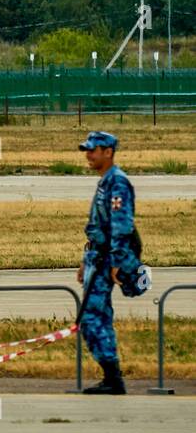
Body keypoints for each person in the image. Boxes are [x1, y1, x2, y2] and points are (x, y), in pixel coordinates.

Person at [76, 131, 139, 395]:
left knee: (92, 318)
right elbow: (98, 227)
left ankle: (113, 377)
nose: (88, 155)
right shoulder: (105, 182)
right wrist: (85, 259)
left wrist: (117, 262)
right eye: (87, 150)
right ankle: (111, 377)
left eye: (93, 150)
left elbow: (121, 225)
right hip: (96, 258)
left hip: (106, 261)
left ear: (108, 152)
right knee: (96, 317)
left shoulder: (118, 183)